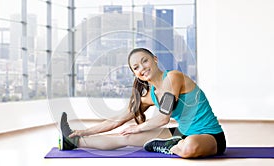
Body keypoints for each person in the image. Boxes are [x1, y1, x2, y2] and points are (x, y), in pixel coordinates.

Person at [60, 48, 226, 158]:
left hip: (209, 136)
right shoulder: (149, 96)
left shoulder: (173, 77)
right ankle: (72, 142)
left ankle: (170, 146)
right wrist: (84, 132)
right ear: (135, 74)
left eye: (145, 61)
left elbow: (163, 118)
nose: (142, 68)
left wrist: (138, 127)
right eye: (136, 67)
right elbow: (118, 119)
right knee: (126, 137)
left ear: (155, 59)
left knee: (190, 148)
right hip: (180, 133)